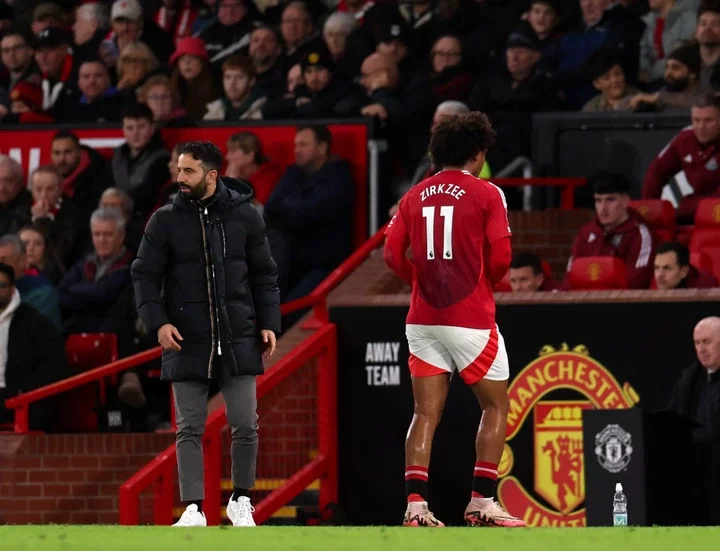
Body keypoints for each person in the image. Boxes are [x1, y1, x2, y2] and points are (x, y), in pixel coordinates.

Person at [383, 112, 524, 528]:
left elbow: (391, 255)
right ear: (477, 154)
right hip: (469, 315)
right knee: (496, 405)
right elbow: (501, 258)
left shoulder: (413, 195)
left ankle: (415, 508)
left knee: (424, 414)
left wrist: (421, 281)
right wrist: (482, 284)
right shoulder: (487, 193)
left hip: (422, 316)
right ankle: (481, 501)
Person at [132, 141, 281, 527]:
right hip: (185, 336)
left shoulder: (246, 216)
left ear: (212, 175)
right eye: (179, 170)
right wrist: (158, 323)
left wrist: (269, 323)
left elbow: (265, 274)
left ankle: (241, 501)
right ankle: (194, 509)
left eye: (188, 171)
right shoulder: (162, 221)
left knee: (246, 422)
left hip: (238, 334)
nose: (179, 178)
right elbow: (144, 276)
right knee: (189, 427)